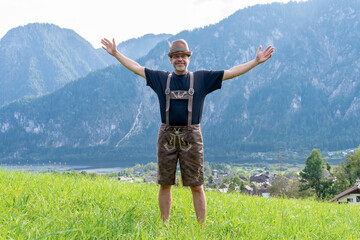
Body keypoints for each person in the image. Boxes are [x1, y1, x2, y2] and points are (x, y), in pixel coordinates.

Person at [101, 38, 274, 224]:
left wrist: (255, 62)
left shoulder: (201, 79)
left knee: (197, 186)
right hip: (166, 137)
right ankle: (164, 224)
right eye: (176, 56)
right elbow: (137, 68)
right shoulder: (161, 79)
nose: (180, 59)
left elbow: (230, 72)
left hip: (192, 137)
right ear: (170, 60)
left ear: (188, 58)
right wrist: (116, 54)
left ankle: (201, 229)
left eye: (183, 56)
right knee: (165, 184)